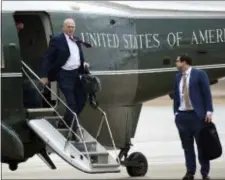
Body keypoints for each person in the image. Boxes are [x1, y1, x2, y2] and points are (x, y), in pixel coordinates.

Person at [39, 18, 89, 139]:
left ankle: (65, 121)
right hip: (64, 75)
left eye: (72, 27)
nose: (70, 29)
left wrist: (83, 64)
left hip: (76, 74)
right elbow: (47, 57)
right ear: (63, 27)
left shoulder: (76, 40)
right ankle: (75, 129)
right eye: (68, 27)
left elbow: (76, 55)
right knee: (71, 102)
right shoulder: (57, 40)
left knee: (81, 100)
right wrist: (44, 75)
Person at [173, 54, 213, 180]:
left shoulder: (199, 74)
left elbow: (207, 93)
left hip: (197, 116)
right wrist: (176, 112)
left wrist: (209, 111)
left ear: (184, 62)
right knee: (187, 146)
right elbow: (175, 94)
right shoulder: (177, 76)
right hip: (182, 116)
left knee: (201, 146)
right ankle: (190, 172)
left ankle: (205, 173)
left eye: (177, 61)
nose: (176, 63)